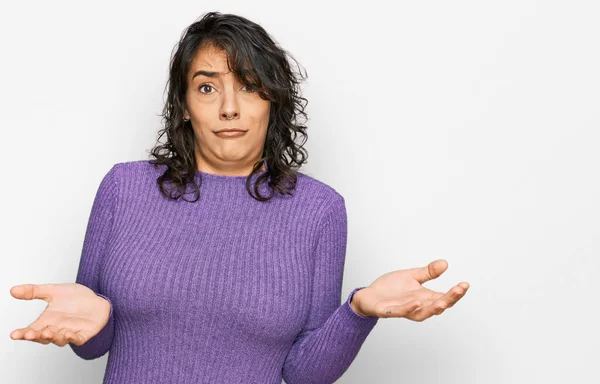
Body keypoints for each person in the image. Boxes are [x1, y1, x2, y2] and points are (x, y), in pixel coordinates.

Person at [9, 11, 469, 384]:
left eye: (248, 86)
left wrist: (358, 310)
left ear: (273, 100)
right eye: (207, 87)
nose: (229, 107)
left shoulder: (319, 210)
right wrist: (93, 323)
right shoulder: (123, 188)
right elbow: (92, 344)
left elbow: (305, 374)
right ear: (185, 106)